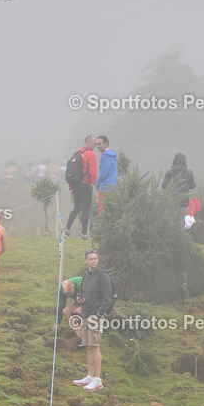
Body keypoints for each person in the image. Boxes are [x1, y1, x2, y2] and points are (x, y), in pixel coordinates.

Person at [72, 249, 113, 391]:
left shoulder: (103, 276)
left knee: (95, 346)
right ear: (86, 260)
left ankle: (98, 379)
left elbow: (107, 298)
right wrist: (80, 299)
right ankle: (89, 376)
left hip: (95, 316)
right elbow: (83, 293)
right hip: (85, 313)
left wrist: (98, 314)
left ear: (98, 260)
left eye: (95, 258)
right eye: (90, 259)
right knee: (88, 346)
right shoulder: (85, 275)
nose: (93, 261)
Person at [65, 136, 97, 239]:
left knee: (77, 208)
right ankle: (84, 234)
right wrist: (96, 184)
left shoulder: (77, 153)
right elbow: (92, 172)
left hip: (76, 185)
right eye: (94, 143)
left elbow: (71, 171)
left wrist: (71, 187)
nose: (95, 145)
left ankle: (67, 230)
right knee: (85, 210)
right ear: (88, 143)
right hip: (85, 185)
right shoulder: (91, 154)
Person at [95, 136, 118, 216]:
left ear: (106, 144)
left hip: (105, 187)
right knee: (110, 212)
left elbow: (103, 173)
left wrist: (97, 184)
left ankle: (102, 228)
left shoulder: (106, 156)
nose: (97, 146)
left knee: (102, 212)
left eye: (100, 144)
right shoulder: (112, 155)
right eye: (96, 144)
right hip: (113, 187)